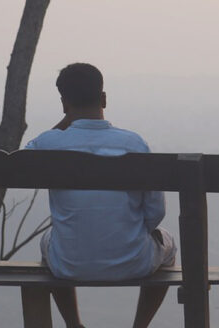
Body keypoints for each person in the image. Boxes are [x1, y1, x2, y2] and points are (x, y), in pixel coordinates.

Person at [25, 63, 177, 328]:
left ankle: (73, 324)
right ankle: (140, 325)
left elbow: (20, 161)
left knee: (48, 240)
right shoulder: (134, 144)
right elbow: (156, 213)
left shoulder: (48, 144)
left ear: (64, 103)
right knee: (170, 245)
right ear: (104, 98)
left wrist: (65, 119)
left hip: (68, 263)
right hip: (134, 261)